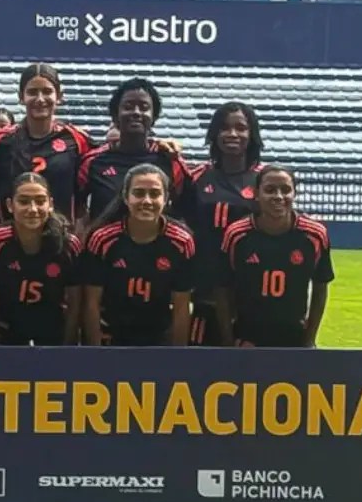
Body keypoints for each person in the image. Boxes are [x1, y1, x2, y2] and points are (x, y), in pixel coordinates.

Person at [173, 101, 265, 346]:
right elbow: (178, 222)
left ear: (252, 134)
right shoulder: (197, 178)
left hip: (250, 294)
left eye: (241, 128)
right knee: (200, 363)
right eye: (224, 128)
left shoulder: (263, 181)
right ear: (214, 133)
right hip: (205, 294)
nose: (232, 134)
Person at [217, 165, 333, 348]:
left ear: (294, 193)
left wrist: (309, 339)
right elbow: (223, 289)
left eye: (286, 190)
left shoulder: (315, 235)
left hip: (294, 341)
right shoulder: (237, 235)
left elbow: (320, 287)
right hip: (247, 341)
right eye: (270, 190)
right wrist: (228, 341)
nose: (278, 196)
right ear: (256, 193)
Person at [81, 163, 195, 347]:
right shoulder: (102, 239)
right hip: (112, 338)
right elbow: (92, 303)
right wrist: (96, 352)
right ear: (126, 197)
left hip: (158, 339)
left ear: (166, 199)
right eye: (139, 193)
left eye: (155, 194)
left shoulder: (182, 242)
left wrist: (177, 355)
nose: (147, 201)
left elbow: (181, 306)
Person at [0, 64, 95, 222]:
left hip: (61, 234)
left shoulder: (77, 140)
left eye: (47, 91)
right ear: (21, 96)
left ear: (59, 96)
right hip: (9, 235)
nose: (40, 99)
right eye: (32, 92)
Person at [0, 173, 82, 346]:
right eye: (24, 201)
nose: (33, 209)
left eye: (40, 201)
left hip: (53, 334)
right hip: (7, 333)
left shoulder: (68, 245)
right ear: (10, 205)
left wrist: (67, 349)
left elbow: (74, 305)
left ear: (50, 204)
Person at [77, 78, 191, 226]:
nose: (136, 112)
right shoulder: (93, 161)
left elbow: (186, 210)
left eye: (144, 107)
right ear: (116, 114)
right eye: (128, 106)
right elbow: (77, 209)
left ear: (154, 116)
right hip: (105, 240)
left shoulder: (169, 159)